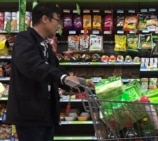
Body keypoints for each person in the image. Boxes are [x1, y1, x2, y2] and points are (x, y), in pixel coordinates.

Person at [6, 3, 93, 141]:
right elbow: (33, 66)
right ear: (45, 19)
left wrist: (80, 84)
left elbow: (56, 71)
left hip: (45, 114)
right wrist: (63, 77)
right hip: (30, 115)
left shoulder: (45, 44)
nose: (59, 25)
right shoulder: (24, 39)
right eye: (57, 20)